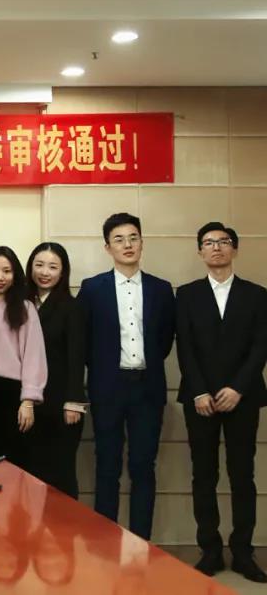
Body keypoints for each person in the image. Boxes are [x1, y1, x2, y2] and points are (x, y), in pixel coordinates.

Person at [175, 222, 267, 582]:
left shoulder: (257, 294)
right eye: (209, 242)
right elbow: (185, 345)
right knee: (204, 475)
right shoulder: (187, 294)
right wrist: (199, 390)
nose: (216, 247)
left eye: (224, 241)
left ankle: (243, 552)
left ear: (234, 249)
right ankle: (210, 551)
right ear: (200, 251)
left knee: (243, 475)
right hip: (200, 399)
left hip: (243, 397)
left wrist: (238, 388)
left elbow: (261, 346)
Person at [78, 212, 174, 541]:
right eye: (119, 239)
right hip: (108, 388)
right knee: (107, 465)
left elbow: (164, 340)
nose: (127, 244)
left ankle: (141, 543)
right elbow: (84, 342)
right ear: (108, 247)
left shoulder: (161, 289)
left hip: (148, 388)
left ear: (142, 243)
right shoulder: (92, 289)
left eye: (133, 238)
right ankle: (105, 543)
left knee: (143, 467)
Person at [25, 242, 87, 498]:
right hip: (28, 404)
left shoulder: (72, 307)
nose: (44, 272)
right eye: (39, 265)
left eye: (52, 267)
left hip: (61, 403)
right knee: (29, 475)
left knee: (60, 474)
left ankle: (64, 524)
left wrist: (74, 401)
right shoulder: (21, 305)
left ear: (63, 272)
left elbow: (77, 357)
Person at [0, 246, 47, 465]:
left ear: (15, 274)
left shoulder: (25, 308)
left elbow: (34, 356)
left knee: (14, 463)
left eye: (6, 271)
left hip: (13, 395)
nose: (0, 277)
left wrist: (28, 401)